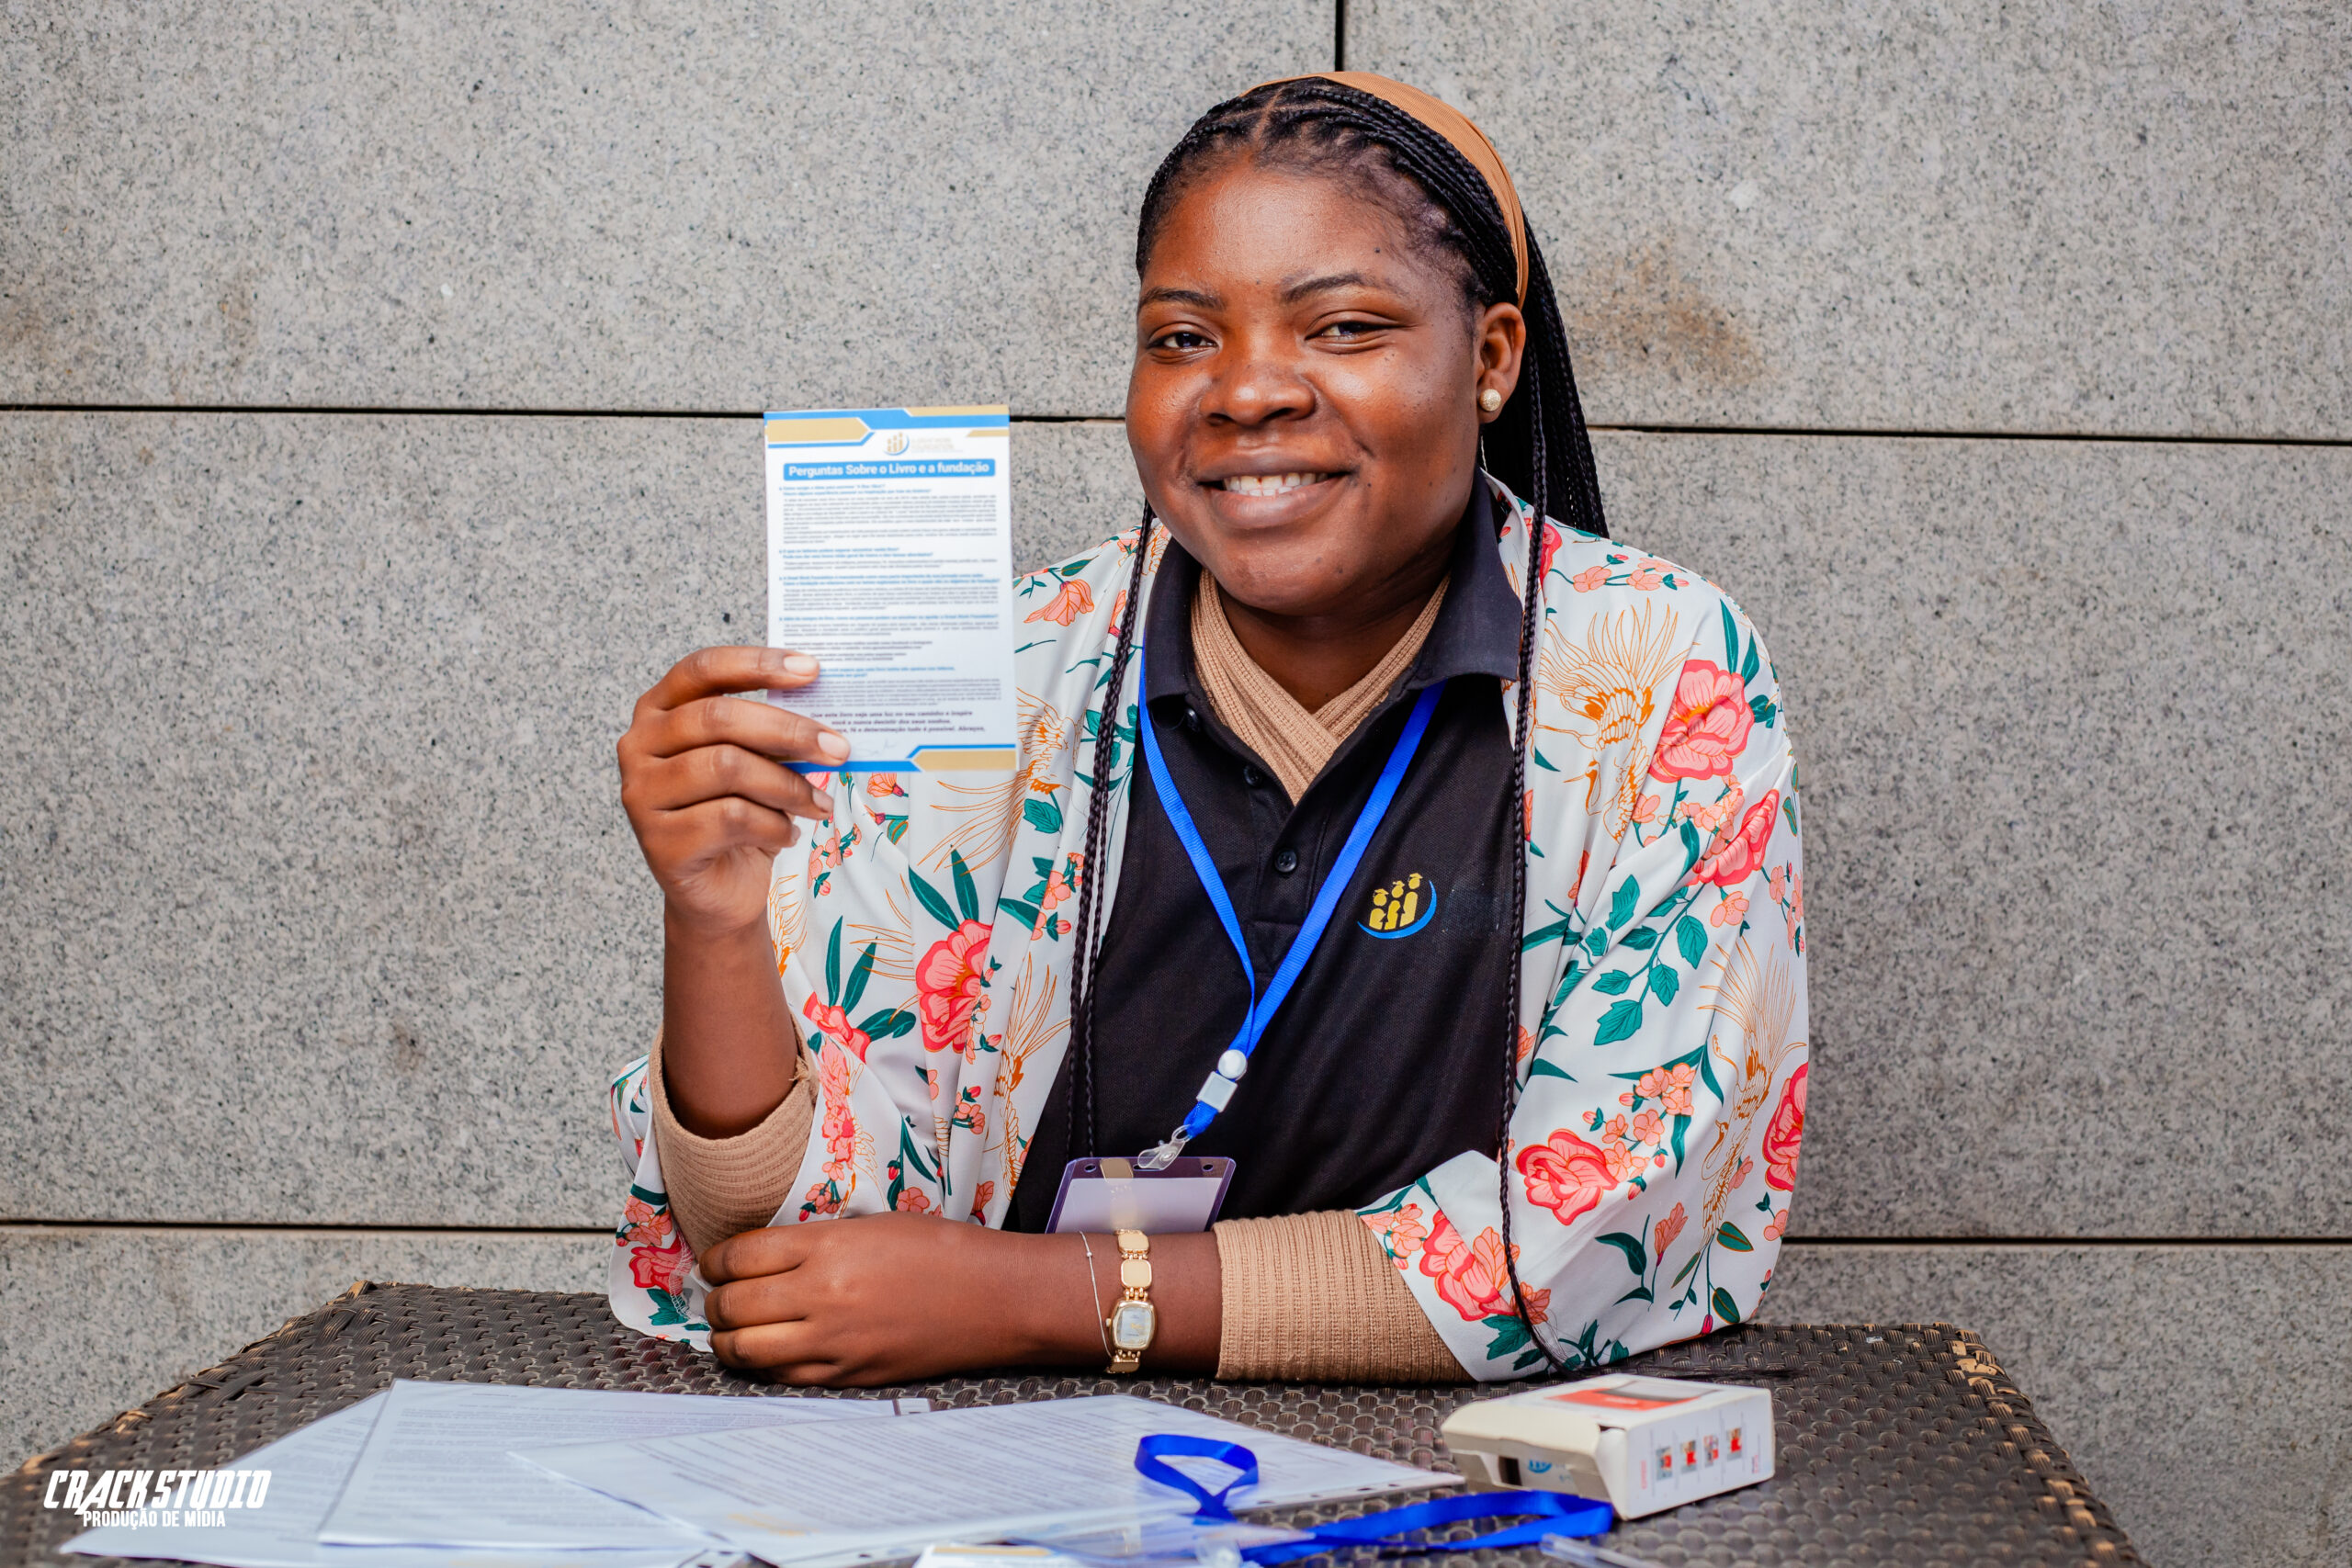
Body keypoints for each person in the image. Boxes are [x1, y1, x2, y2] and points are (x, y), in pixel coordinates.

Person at [606, 73, 1808, 1386]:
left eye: (1342, 327)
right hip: (1005, 1470)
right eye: (1183, 338)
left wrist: (1040, 1297)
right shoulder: (1006, 675)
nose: (1246, 392)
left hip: (1467, 1473)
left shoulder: (1658, 675)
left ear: (1492, 359)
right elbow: (787, 1262)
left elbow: (1598, 1241)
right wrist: (716, 924)